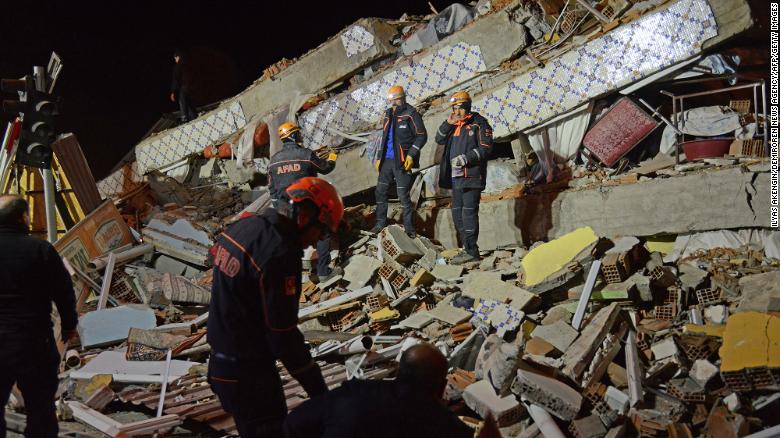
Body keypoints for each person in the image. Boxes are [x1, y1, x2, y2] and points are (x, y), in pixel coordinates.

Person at [207, 177, 343, 438]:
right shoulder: (280, 254)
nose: (317, 242)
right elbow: (282, 334)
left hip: (221, 367)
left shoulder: (244, 227)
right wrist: (319, 392)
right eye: (322, 231)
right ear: (304, 215)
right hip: (249, 377)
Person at [0, 195, 78, 438]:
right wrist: (69, 325)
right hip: (33, 343)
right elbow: (64, 292)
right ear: (24, 217)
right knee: (41, 411)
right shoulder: (40, 250)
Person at [284, 343, 482, 438]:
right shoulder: (438, 421)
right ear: (440, 389)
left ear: (398, 372)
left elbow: (294, 423)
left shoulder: (355, 393)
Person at [268, 122, 338, 281]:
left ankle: (290, 276)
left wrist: (278, 207)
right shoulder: (305, 154)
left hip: (284, 207)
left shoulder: (274, 160)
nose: (300, 135)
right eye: (297, 133)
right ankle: (323, 272)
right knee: (322, 233)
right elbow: (325, 168)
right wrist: (332, 158)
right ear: (293, 135)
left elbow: (271, 187)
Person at [435, 91, 493, 264]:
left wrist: (466, 158)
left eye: (460, 107)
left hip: (472, 178)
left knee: (468, 215)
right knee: (457, 215)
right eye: (455, 107)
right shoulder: (454, 124)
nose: (457, 111)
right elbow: (439, 138)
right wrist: (448, 123)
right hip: (456, 179)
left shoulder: (479, 123)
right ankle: (467, 249)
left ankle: (472, 251)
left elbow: (486, 147)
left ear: (467, 106)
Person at [371, 85, 427, 238]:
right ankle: (380, 223)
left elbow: (422, 135)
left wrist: (411, 155)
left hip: (402, 161)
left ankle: (409, 229)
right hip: (386, 161)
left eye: (397, 100)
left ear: (403, 98)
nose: (394, 103)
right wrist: (378, 157)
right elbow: (383, 137)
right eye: (392, 101)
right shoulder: (388, 114)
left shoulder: (411, 114)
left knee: (403, 195)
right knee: (380, 192)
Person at [170, 50, 197, 122]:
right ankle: (194, 116)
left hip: (184, 87)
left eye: (175, 58)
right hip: (191, 87)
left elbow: (175, 80)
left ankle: (184, 119)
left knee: (182, 102)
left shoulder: (178, 66)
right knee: (188, 102)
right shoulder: (187, 65)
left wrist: (173, 92)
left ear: (178, 57)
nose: (175, 60)